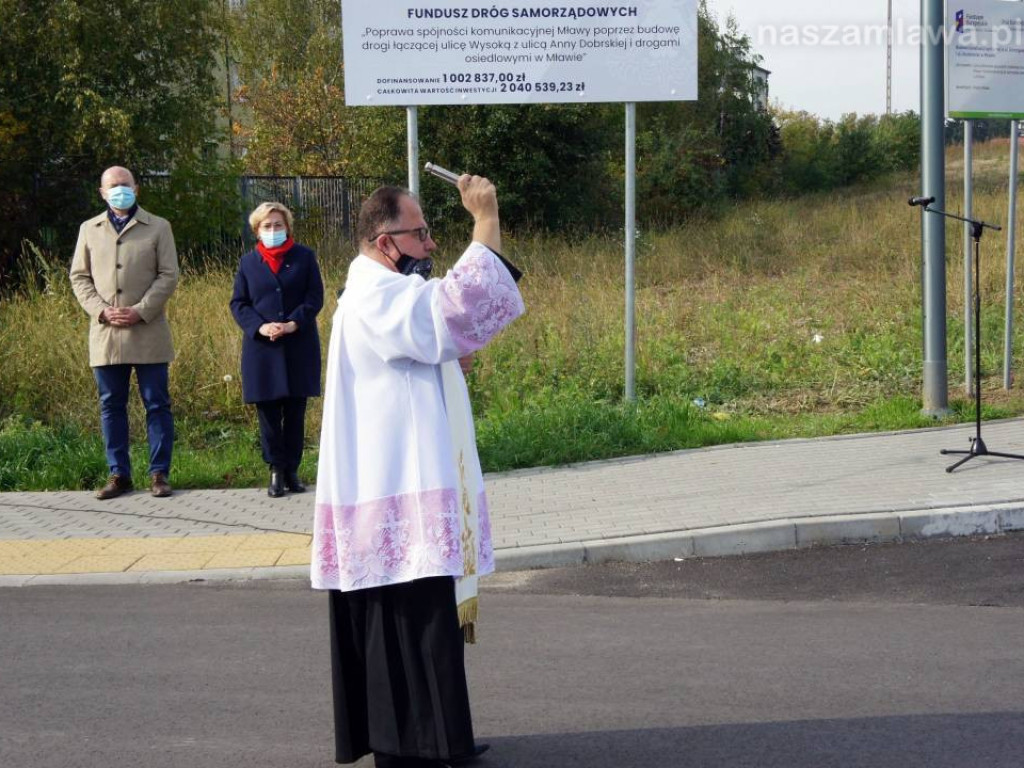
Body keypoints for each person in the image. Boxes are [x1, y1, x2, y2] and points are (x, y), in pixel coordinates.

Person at [313, 176, 525, 768]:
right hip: (394, 486)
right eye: (422, 232)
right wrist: (485, 218)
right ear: (386, 242)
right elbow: (453, 311)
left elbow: (452, 326)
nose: (431, 243)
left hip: (406, 479)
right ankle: (411, 744)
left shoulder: (389, 289)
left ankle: (441, 736)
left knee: (428, 617)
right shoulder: (375, 296)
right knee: (407, 620)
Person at [70, 166, 179, 500]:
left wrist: (141, 310)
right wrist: (101, 310)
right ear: (102, 192)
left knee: (156, 404)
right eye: (113, 186)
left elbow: (168, 274)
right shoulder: (89, 229)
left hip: (148, 332)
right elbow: (79, 277)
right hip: (106, 335)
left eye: (125, 185)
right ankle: (119, 474)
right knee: (110, 406)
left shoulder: (159, 227)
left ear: (137, 188)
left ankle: (159, 473)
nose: (120, 190)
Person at [230, 202, 324, 497]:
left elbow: (314, 297)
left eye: (278, 225)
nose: (273, 230)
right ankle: (275, 470)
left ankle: (293, 470)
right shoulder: (248, 263)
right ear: (257, 231)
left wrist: (293, 323)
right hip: (263, 349)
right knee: (269, 413)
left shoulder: (305, 257)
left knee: (295, 412)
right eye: (267, 226)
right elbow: (239, 303)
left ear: (287, 227)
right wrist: (259, 326)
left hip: (298, 345)